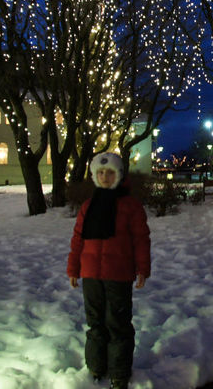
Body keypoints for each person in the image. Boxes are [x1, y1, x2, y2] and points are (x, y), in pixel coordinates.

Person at [68, 152, 150, 389]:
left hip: (118, 274)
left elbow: (141, 239)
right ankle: (96, 367)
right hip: (91, 274)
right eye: (100, 173)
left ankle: (119, 373)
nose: (104, 177)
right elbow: (78, 240)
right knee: (95, 323)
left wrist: (142, 268)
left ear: (118, 175)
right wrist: (73, 268)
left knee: (118, 324)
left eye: (109, 172)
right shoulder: (88, 205)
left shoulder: (130, 206)